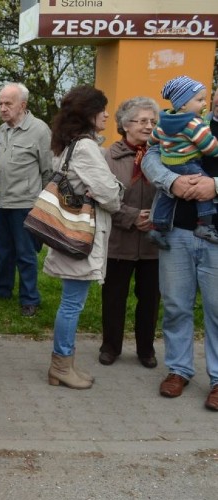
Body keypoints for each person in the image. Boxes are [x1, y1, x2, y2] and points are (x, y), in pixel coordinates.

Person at [142, 87, 218, 411]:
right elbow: (150, 156)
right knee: (175, 305)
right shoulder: (187, 120)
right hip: (175, 231)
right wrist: (170, 180)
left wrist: (214, 185)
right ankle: (179, 369)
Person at [44, 86, 122, 389]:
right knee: (72, 303)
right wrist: (113, 189)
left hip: (69, 231)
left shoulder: (67, 144)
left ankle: (64, 365)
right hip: (81, 236)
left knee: (71, 301)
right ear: (89, 113)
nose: (106, 114)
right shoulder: (86, 147)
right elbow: (110, 196)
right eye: (102, 109)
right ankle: (61, 365)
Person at [0, 83, 52, 318]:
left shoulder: (39, 130)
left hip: (26, 203)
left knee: (25, 253)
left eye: (8, 103)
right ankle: (2, 290)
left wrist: (42, 201)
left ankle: (30, 298)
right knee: (3, 250)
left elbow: (47, 170)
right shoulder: (1, 130)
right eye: (0, 103)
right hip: (0, 201)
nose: (2, 108)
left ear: (23, 105)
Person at [100, 97, 162, 368]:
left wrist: (156, 218)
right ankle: (110, 346)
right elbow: (102, 197)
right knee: (114, 297)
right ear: (125, 124)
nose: (149, 126)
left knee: (149, 299)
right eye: (143, 121)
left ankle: (146, 350)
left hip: (153, 242)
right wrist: (132, 216)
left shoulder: (162, 154)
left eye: (153, 121)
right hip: (119, 239)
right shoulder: (107, 157)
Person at [148, 75, 218, 248]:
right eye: (200, 99)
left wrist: (215, 185)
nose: (204, 103)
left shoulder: (164, 120)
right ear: (184, 104)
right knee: (199, 183)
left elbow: (151, 141)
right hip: (188, 163)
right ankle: (205, 223)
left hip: (169, 161)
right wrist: (171, 181)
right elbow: (210, 148)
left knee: (168, 194)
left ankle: (157, 225)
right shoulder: (195, 124)